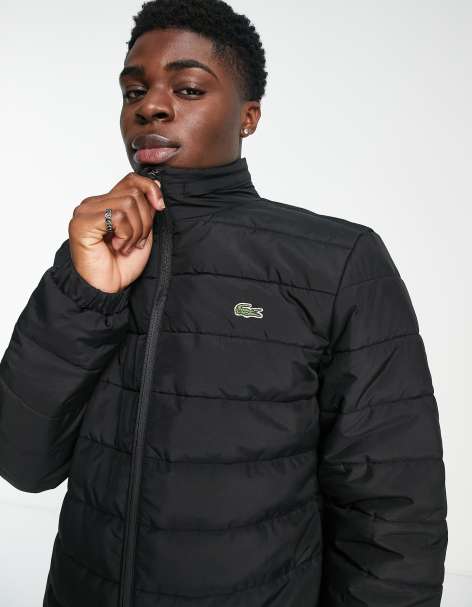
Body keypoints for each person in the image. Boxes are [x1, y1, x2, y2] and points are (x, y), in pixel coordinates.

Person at [0, 1, 448, 606]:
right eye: (134, 91)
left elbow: (392, 509)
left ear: (249, 116)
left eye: (187, 88)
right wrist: (87, 292)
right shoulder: (93, 254)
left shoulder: (336, 262)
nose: (151, 107)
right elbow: (23, 462)